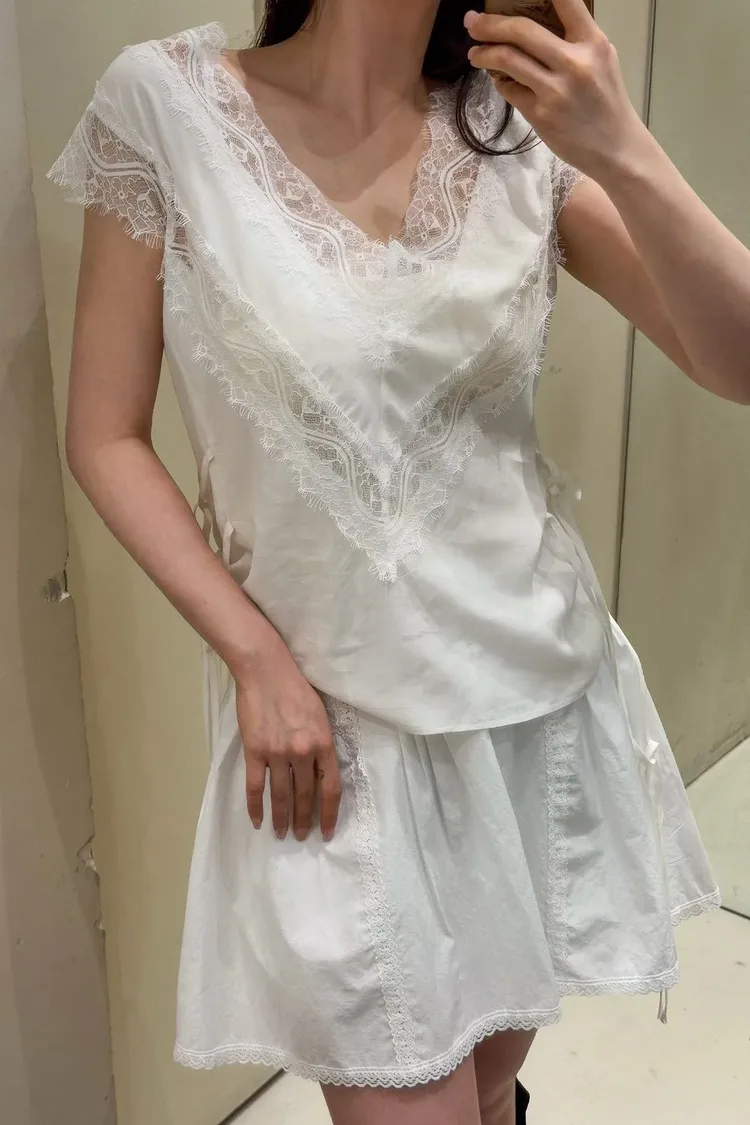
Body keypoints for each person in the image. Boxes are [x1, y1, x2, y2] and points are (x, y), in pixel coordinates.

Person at [50, 1, 749, 1122]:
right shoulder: (167, 109)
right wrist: (253, 656)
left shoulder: (518, 133)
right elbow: (103, 434)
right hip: (333, 743)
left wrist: (619, 140)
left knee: (489, 1089)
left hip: (535, 709)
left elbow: (738, 359)